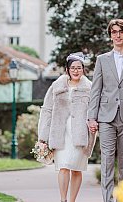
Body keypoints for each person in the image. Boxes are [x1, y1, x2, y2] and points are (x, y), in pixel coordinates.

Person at [87, 19, 123, 202]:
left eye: (121, 31)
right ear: (110, 36)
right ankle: (107, 199)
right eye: (114, 32)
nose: (118, 35)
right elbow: (95, 90)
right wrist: (91, 117)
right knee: (106, 161)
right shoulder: (102, 60)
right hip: (105, 117)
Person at [38, 52, 96, 202]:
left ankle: (72, 200)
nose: (76, 71)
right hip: (60, 133)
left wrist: (94, 125)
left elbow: (95, 110)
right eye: (73, 68)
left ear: (83, 69)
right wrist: (43, 136)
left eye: (79, 68)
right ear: (67, 69)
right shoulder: (56, 86)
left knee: (76, 168)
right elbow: (47, 110)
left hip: (81, 133)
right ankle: (63, 199)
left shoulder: (90, 87)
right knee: (63, 167)